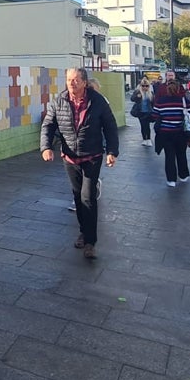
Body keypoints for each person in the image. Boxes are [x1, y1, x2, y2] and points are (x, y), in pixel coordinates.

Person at [40, 68, 119, 259]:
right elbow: (48, 124)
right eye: (69, 80)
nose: (71, 83)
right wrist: (46, 147)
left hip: (92, 156)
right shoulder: (59, 101)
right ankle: (84, 232)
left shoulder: (97, 101)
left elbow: (110, 126)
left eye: (75, 80)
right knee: (77, 195)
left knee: (87, 197)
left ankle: (91, 242)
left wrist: (112, 152)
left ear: (84, 82)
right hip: (69, 157)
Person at [151, 77, 190, 187]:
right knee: (181, 154)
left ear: (167, 89)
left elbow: (154, 116)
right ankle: (183, 175)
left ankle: (171, 179)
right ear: (178, 89)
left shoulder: (161, 101)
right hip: (180, 133)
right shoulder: (183, 101)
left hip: (165, 132)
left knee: (169, 156)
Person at [129, 79, 155, 146]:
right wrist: (137, 96)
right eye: (143, 86)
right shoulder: (138, 92)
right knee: (143, 126)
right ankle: (144, 139)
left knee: (147, 126)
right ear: (141, 86)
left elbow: (154, 103)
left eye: (146, 86)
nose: (145, 87)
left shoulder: (151, 93)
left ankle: (148, 139)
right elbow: (132, 99)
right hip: (140, 112)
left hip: (148, 112)